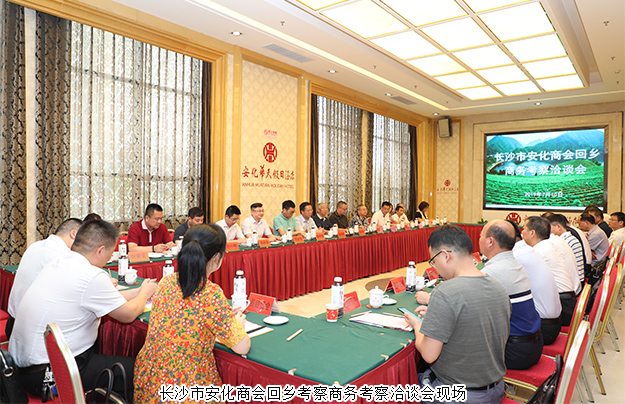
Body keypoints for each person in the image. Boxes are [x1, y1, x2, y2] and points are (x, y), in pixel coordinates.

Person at [9, 220, 158, 398]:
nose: (110, 259)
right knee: (144, 369)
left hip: (24, 368)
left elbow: (101, 298)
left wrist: (137, 292)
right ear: (100, 250)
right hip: (53, 373)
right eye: (110, 253)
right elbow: (128, 314)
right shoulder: (91, 275)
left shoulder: (59, 262)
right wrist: (145, 293)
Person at [133, 224, 250, 403]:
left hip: (149, 382)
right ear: (217, 257)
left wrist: (223, 314)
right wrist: (238, 325)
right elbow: (242, 347)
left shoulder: (166, 282)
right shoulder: (211, 294)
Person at [403, 225, 510, 404]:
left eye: (433, 262)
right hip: (495, 390)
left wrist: (417, 326)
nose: (435, 268)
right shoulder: (498, 286)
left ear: (445, 255)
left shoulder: (445, 291)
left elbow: (429, 354)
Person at [479, 220, 542, 370]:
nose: (479, 239)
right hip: (534, 344)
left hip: (515, 351)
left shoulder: (491, 272)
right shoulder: (515, 263)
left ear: (490, 241)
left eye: (481, 235)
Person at [6, 218, 83, 339]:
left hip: (12, 324)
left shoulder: (35, 246)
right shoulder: (62, 254)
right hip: (33, 331)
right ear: (74, 234)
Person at [508, 220, 562, 345]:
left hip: (543, 328)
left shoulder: (517, 255)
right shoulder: (530, 250)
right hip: (553, 322)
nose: (522, 232)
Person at [522, 216, 577, 326]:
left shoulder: (538, 251)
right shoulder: (547, 245)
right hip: (567, 300)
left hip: (563, 306)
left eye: (524, 229)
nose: (522, 232)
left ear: (532, 233)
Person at [547, 214, 585, 287]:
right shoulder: (570, 238)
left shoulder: (564, 241)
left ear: (558, 227)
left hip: (574, 284)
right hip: (577, 280)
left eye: (549, 228)